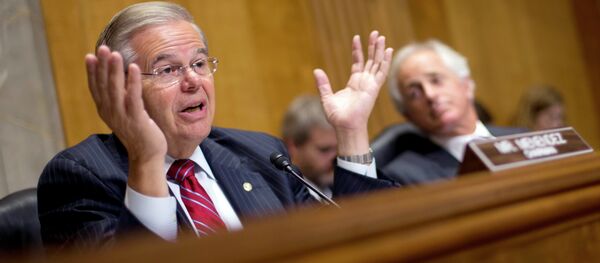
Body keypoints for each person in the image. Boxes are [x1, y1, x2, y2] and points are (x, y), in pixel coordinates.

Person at [37, 1, 395, 249]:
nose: (193, 80)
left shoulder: (260, 154)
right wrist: (146, 158)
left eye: (199, 63)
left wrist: (350, 132)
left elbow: (352, 241)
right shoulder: (80, 176)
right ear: (122, 88)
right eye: (168, 69)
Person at [372, 39, 524, 185]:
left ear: (467, 85)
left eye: (436, 80)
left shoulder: (523, 138)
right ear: (407, 115)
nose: (430, 94)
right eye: (414, 94)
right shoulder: (405, 176)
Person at [282, 95, 337, 200]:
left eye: (338, 148)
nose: (335, 157)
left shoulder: (342, 189)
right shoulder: (285, 200)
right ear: (292, 146)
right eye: (324, 150)